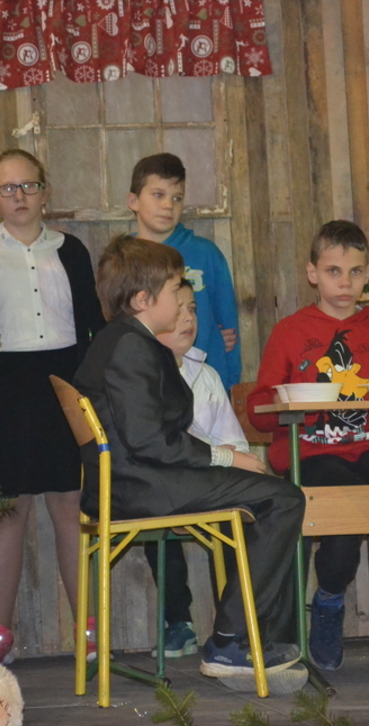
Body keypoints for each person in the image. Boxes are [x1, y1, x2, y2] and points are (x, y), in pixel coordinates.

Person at [74, 235, 304, 679]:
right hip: (142, 486)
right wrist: (226, 458)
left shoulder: (123, 341)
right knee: (283, 498)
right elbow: (150, 441)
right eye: (174, 286)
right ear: (143, 300)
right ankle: (231, 641)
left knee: (271, 494)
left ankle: (253, 637)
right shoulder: (130, 347)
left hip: (135, 480)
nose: (183, 294)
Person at [246, 220, 369, 672]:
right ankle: (329, 602)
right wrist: (290, 404)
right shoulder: (290, 331)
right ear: (313, 273)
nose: (345, 282)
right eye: (334, 271)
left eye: (354, 272)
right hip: (312, 454)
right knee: (341, 499)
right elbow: (258, 411)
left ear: (367, 274)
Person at [0, 149, 107, 665]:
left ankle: (87, 630)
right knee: (6, 512)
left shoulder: (72, 251)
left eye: (28, 185)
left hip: (65, 383)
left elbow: (93, 325)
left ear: (46, 192)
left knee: (71, 506)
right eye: (8, 188)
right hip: (5, 389)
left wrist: (97, 395)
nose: (19, 196)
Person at [143, 280, 251, 658]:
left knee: (238, 515)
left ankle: (232, 627)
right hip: (160, 484)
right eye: (178, 310)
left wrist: (233, 458)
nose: (188, 318)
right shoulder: (142, 376)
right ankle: (178, 621)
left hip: (207, 480)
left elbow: (235, 444)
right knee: (156, 518)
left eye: (193, 309)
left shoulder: (207, 376)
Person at [129, 152, 241, 390]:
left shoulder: (206, 254)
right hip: (143, 382)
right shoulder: (123, 260)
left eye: (177, 198)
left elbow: (229, 328)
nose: (168, 205)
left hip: (204, 385)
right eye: (158, 195)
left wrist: (230, 387)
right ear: (134, 201)